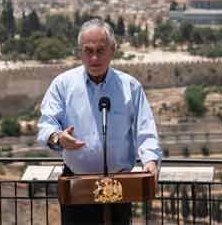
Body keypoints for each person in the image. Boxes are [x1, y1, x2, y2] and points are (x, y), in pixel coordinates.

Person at [37, 18, 162, 225]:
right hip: (77, 186)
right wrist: (58, 137)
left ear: (113, 50)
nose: (94, 58)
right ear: (80, 52)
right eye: (88, 51)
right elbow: (46, 124)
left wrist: (150, 161)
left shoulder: (130, 87)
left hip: (119, 186)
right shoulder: (63, 85)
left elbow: (145, 129)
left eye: (100, 51)